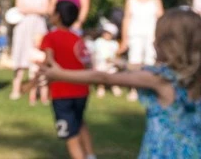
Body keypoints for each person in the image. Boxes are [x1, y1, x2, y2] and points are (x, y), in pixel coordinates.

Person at [40, 8, 201, 159]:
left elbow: (103, 78)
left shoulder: (159, 78)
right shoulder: (194, 78)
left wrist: (60, 74)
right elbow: (138, 67)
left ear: (168, 44)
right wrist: (123, 64)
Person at [40, 1, 96, 159]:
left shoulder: (50, 37)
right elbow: (87, 62)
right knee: (80, 122)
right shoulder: (77, 38)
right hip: (81, 90)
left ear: (57, 16)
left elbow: (49, 61)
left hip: (61, 92)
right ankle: (91, 155)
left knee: (70, 135)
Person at [120, 0, 165, 101]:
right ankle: (135, 88)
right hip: (135, 34)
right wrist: (124, 38)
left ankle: (150, 87)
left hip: (152, 35)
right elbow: (127, 19)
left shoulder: (155, 0)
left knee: (150, 61)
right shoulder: (131, 0)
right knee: (134, 61)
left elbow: (161, 19)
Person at [10, 0, 51, 100]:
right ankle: (16, 88)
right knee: (20, 55)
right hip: (23, 25)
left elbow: (45, 9)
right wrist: (34, 9)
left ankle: (39, 89)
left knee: (38, 55)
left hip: (38, 26)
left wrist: (31, 10)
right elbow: (20, 7)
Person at [92, 22, 122, 98]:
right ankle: (101, 88)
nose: (106, 35)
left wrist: (115, 61)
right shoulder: (98, 42)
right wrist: (94, 64)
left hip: (111, 64)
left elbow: (116, 55)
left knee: (112, 74)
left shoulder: (114, 43)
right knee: (101, 75)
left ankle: (114, 86)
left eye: (108, 33)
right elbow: (95, 53)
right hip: (100, 63)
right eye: (105, 32)